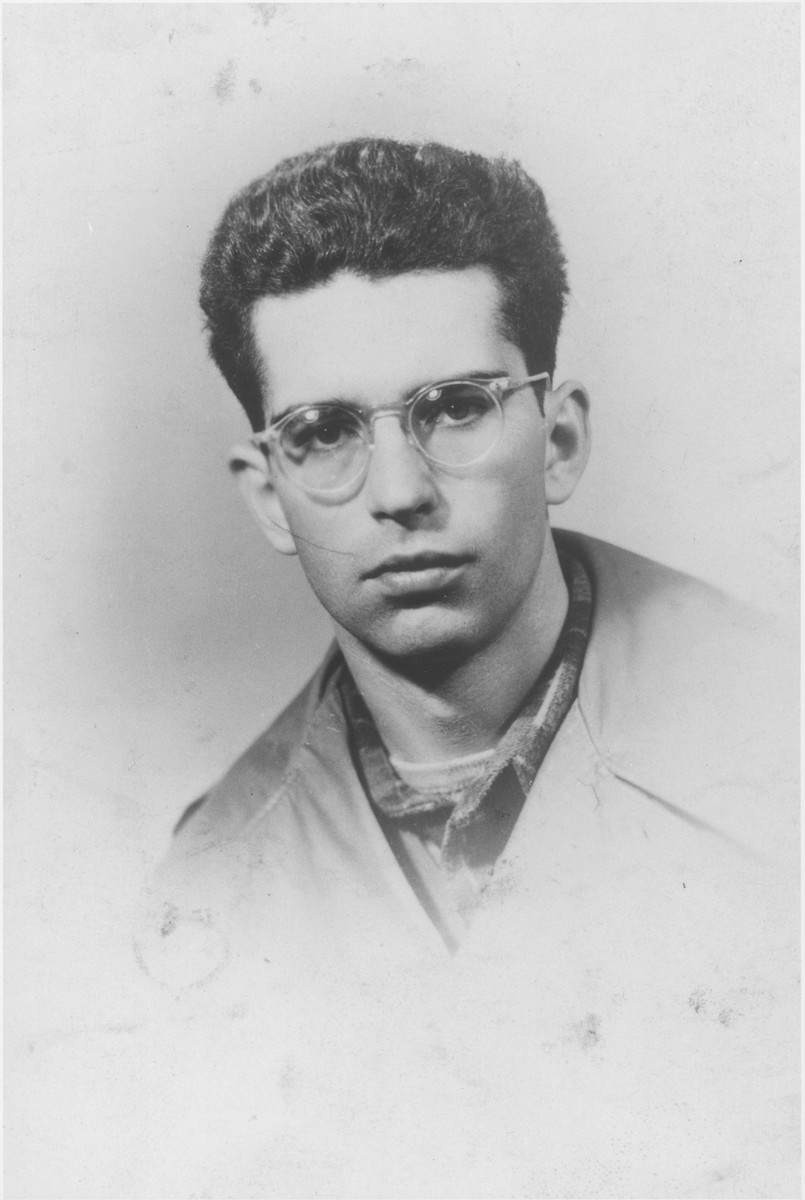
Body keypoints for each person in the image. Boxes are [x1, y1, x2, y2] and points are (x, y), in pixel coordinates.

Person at [141, 138, 796, 1194]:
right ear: (268, 495)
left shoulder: (782, 733)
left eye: (454, 407)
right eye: (324, 431)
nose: (399, 490)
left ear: (561, 438)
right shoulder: (206, 888)